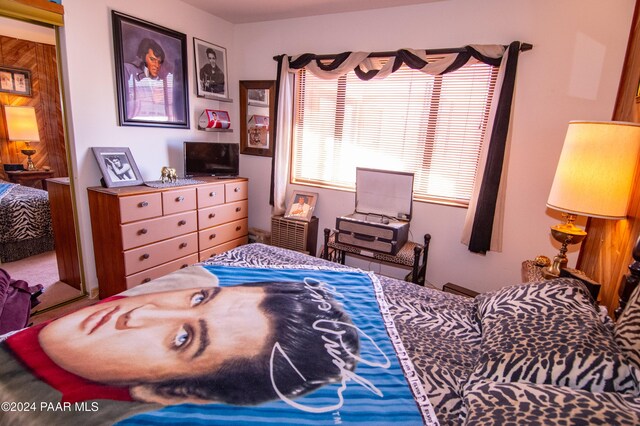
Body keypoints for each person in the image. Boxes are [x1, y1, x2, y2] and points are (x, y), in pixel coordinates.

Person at [4, 275, 360, 406]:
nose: (140, 313)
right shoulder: (195, 275)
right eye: (199, 298)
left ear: (170, 392)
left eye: (182, 338)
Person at [124, 38, 173, 120]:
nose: (157, 65)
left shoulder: (151, 80)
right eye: (152, 60)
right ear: (141, 57)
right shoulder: (127, 70)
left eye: (159, 61)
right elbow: (127, 105)